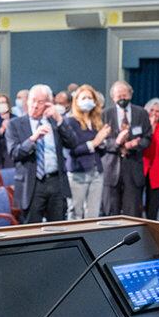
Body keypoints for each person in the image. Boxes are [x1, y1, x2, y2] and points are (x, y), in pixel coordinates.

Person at [7, 84, 82, 224]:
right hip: (32, 183)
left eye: (40, 102)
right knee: (31, 230)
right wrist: (32, 139)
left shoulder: (55, 122)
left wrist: (59, 119)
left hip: (55, 182)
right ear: (27, 101)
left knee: (58, 228)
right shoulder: (15, 124)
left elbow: (73, 143)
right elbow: (14, 153)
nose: (35, 105)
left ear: (48, 104)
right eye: (32, 100)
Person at [100, 80, 151, 217]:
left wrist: (135, 144)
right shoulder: (105, 114)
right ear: (113, 97)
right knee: (111, 211)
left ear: (131, 94)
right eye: (119, 96)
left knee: (133, 212)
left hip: (133, 167)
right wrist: (116, 142)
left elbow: (148, 138)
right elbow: (100, 142)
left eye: (125, 95)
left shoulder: (141, 113)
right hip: (111, 168)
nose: (122, 98)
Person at [62, 84, 112, 220]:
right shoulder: (70, 122)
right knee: (75, 213)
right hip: (78, 172)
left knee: (93, 214)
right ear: (76, 101)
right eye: (84, 97)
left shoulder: (96, 122)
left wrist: (102, 143)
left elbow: (100, 151)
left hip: (96, 172)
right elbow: (71, 150)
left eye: (90, 98)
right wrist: (95, 142)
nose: (87, 100)